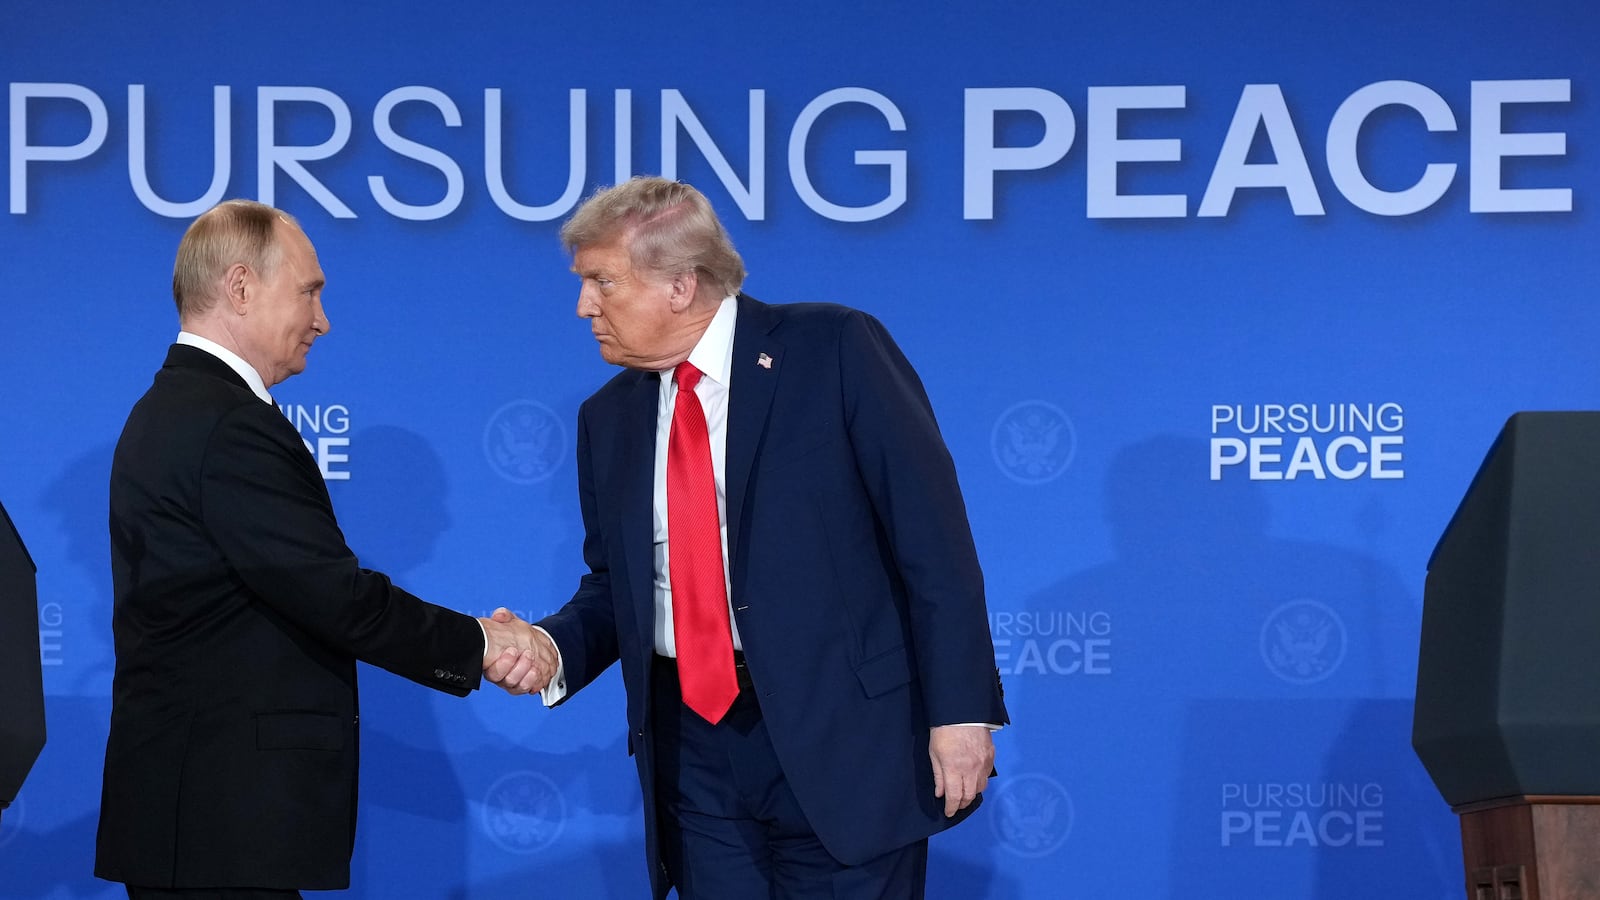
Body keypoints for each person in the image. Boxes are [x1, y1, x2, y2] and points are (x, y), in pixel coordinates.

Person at [511, 177, 1009, 899]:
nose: (584, 305)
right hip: (694, 751)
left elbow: (931, 540)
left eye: (601, 281)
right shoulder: (608, 417)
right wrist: (552, 646)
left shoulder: (834, 349)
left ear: (680, 285)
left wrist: (960, 710)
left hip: (846, 740)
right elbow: (619, 586)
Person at [94, 199, 548, 900]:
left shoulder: (185, 410)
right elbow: (331, 594)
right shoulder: (225, 424)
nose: (322, 320)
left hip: (205, 822)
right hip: (220, 824)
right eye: (309, 291)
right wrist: (481, 646)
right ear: (240, 287)